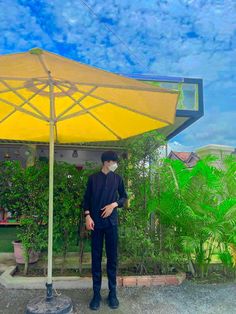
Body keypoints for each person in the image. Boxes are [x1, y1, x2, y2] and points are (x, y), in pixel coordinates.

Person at [82, 150, 128, 311]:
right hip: (95, 224)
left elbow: (124, 197)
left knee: (112, 258)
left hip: (111, 224)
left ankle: (112, 293)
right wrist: (88, 216)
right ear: (107, 162)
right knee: (96, 258)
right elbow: (86, 199)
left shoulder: (118, 179)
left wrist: (114, 205)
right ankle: (96, 294)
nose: (116, 164)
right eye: (114, 162)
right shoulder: (93, 179)